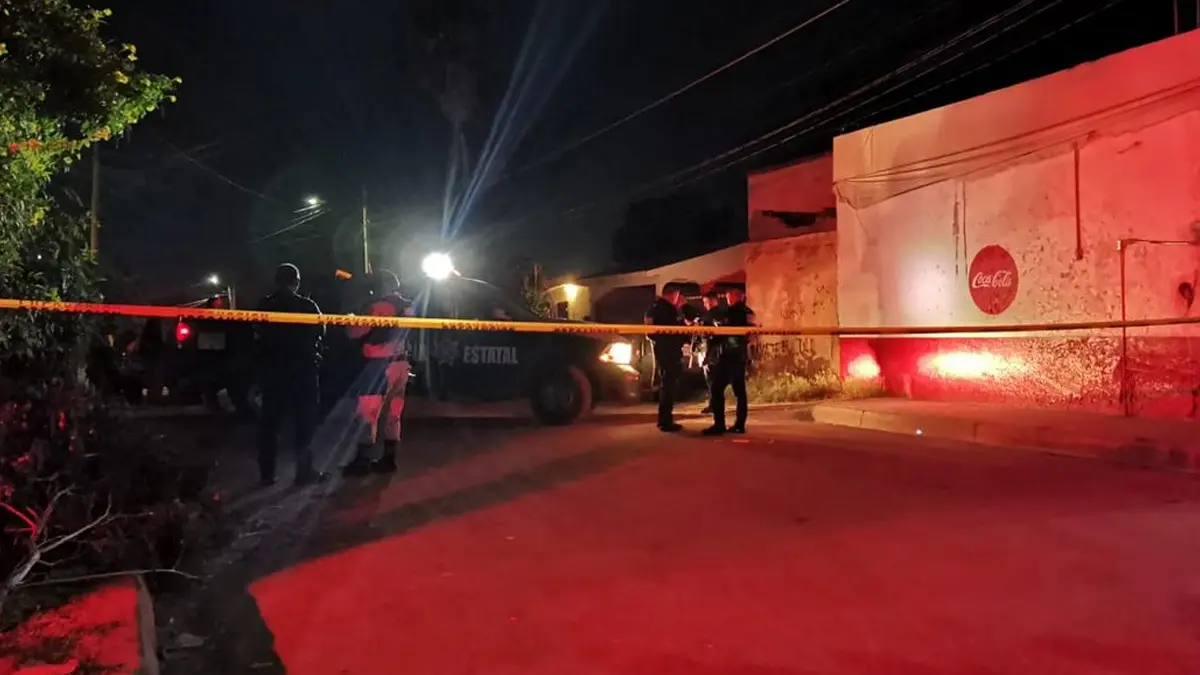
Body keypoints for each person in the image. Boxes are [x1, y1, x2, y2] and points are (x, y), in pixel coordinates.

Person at [254, 263, 327, 486]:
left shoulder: (264, 305)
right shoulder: (307, 305)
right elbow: (320, 332)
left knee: (270, 425)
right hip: (302, 371)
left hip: (273, 371)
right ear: (296, 282)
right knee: (304, 424)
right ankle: (303, 473)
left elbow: (255, 335)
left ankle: (267, 474)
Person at [343, 270, 413, 475]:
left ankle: (363, 460)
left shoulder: (378, 306)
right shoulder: (409, 307)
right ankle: (389, 458)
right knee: (394, 413)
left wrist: (350, 318)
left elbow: (355, 332)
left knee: (368, 412)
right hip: (402, 364)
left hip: (379, 365)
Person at [704, 286, 755, 435]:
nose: (727, 299)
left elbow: (723, 332)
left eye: (729, 296)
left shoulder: (730, 312)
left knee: (716, 388)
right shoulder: (749, 312)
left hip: (728, 356)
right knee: (740, 392)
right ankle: (740, 425)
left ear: (736, 296)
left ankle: (719, 424)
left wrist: (712, 334)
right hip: (740, 355)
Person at [644, 281, 688, 432]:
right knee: (668, 386)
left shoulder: (652, 309)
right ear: (673, 294)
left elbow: (649, 332)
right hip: (671, 352)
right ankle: (665, 421)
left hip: (662, 351)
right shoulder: (670, 310)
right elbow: (681, 331)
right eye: (678, 295)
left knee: (666, 385)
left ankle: (664, 419)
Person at [697, 290, 723, 415]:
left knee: (712, 379)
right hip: (714, 350)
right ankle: (714, 403)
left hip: (712, 351)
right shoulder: (720, 314)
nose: (705, 305)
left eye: (706, 302)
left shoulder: (712, 315)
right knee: (713, 379)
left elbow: (707, 333)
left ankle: (714, 405)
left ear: (712, 301)